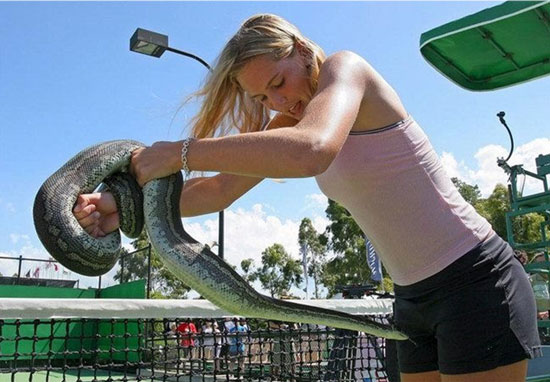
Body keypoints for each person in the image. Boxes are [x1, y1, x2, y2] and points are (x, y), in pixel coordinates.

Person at [73, 13, 541, 382]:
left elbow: (313, 151)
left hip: (476, 280)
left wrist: (180, 153)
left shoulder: (346, 67)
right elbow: (217, 190)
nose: (276, 104)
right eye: (262, 97)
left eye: (277, 83)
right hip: (412, 301)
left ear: (300, 50)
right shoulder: (287, 125)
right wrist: (123, 210)